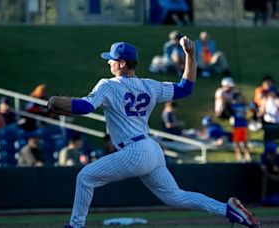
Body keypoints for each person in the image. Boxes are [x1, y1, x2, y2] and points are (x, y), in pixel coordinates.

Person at [47, 39, 260, 227]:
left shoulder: (108, 85)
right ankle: (227, 210)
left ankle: (76, 226)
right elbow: (186, 88)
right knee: (176, 197)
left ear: (121, 63)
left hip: (135, 152)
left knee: (85, 178)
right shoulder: (149, 85)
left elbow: (85, 107)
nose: (108, 62)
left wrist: (55, 102)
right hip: (151, 149)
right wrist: (190, 55)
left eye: (111, 59)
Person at [230, 93, 251, 162]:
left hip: (244, 125)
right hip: (236, 126)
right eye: (240, 98)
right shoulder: (233, 105)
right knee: (237, 141)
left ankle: (247, 154)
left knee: (245, 141)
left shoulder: (244, 105)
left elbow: (248, 114)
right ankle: (238, 155)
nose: (241, 99)